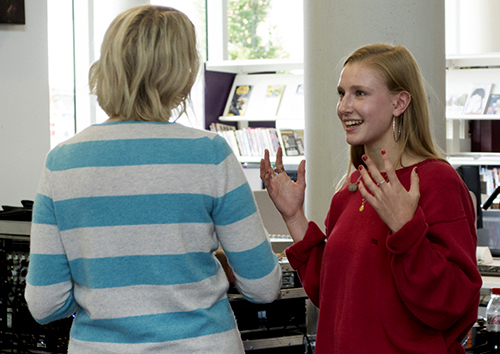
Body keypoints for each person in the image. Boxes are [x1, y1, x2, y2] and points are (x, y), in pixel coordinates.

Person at [25, 5, 281, 353]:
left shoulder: (62, 163)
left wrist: (106, 293)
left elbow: (45, 304)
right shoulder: (210, 153)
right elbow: (264, 288)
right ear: (181, 71)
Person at [260, 43, 482, 353]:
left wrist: (406, 230)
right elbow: (331, 293)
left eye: (359, 93)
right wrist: (293, 216)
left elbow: (453, 304)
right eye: (342, 93)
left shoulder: (436, 182)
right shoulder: (350, 190)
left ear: (399, 102)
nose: (344, 107)